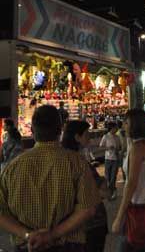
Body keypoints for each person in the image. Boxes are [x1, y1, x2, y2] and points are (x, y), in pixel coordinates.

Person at [0, 104, 99, 251]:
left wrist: (28, 235)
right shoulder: (77, 163)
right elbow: (88, 209)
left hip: (27, 246)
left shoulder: (12, 167)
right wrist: (52, 235)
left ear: (32, 131)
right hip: (68, 246)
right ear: (60, 130)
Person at [112, 108, 145, 252]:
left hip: (137, 206)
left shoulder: (138, 148)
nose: (123, 126)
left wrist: (119, 216)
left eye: (126, 123)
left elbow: (131, 183)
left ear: (135, 125)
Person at [62, 120, 108, 252]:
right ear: (77, 137)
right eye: (87, 134)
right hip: (91, 223)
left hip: (71, 223)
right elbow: (104, 192)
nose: (90, 137)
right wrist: (102, 182)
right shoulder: (80, 162)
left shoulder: (65, 159)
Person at [100, 121, 122, 200]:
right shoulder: (106, 136)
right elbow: (101, 146)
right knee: (107, 176)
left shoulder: (117, 137)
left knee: (113, 176)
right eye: (115, 127)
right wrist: (108, 148)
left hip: (115, 159)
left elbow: (120, 147)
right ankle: (111, 191)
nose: (117, 129)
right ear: (111, 128)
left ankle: (111, 192)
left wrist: (117, 149)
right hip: (108, 159)